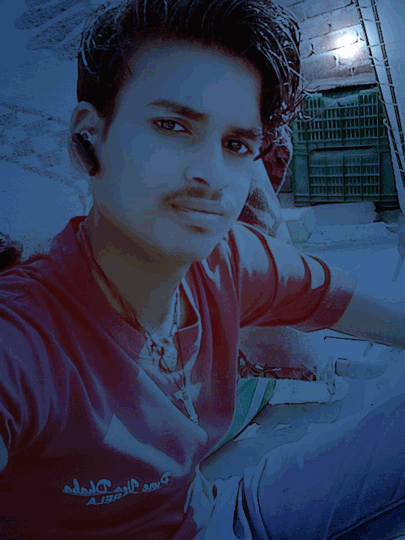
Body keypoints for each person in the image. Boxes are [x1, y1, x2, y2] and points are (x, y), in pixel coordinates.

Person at [0, 0, 405, 538]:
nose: (211, 175)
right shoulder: (24, 337)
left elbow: (377, 310)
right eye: (171, 125)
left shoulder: (229, 261)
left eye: (236, 144)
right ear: (88, 138)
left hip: (223, 515)